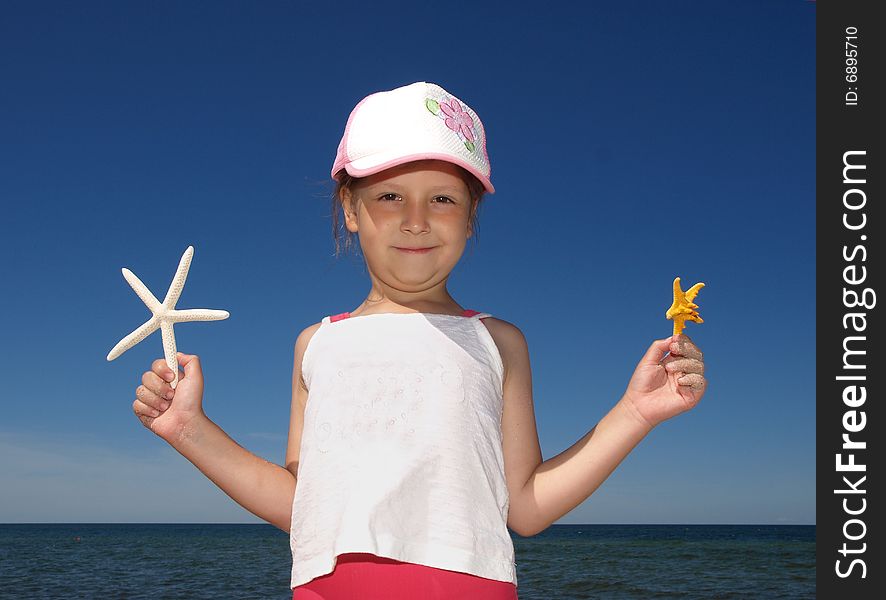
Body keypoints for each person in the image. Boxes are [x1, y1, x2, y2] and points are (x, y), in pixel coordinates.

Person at [130, 81, 708, 600]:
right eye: (388, 196)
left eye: (443, 198)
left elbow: (527, 507)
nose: (415, 219)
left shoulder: (497, 341)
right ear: (349, 209)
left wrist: (635, 413)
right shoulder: (317, 344)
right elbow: (300, 505)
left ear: (470, 215)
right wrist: (189, 430)